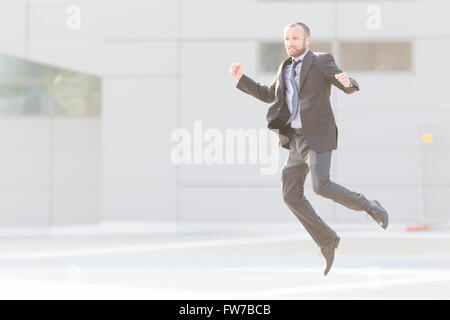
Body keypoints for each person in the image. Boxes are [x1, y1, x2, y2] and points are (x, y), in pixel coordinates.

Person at [229, 21, 389, 276]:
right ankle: (327, 240)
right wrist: (241, 79)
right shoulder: (283, 67)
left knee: (320, 185)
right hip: (296, 140)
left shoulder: (321, 61)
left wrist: (349, 84)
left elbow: (342, 81)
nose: (290, 43)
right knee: (290, 195)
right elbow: (268, 93)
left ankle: (370, 206)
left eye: (295, 38)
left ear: (307, 40)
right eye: (287, 39)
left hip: (317, 136)